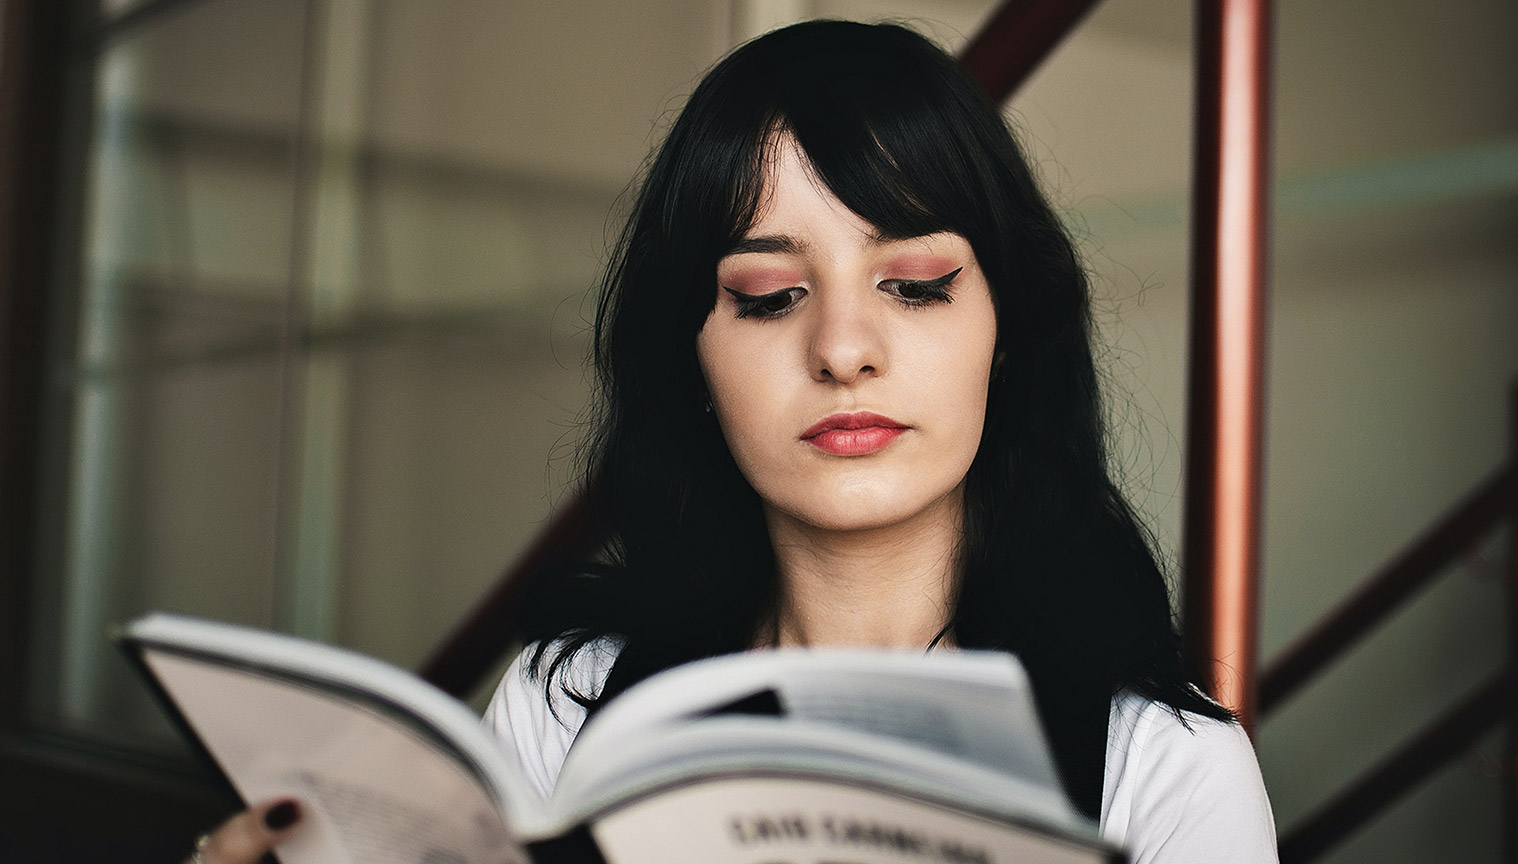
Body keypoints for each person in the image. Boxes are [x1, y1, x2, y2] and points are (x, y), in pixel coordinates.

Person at [187, 19, 1276, 864]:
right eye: (767, 296)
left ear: (1008, 333)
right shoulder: (567, 701)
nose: (844, 346)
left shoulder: (1164, 773)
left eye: (916, 285)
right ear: (694, 358)